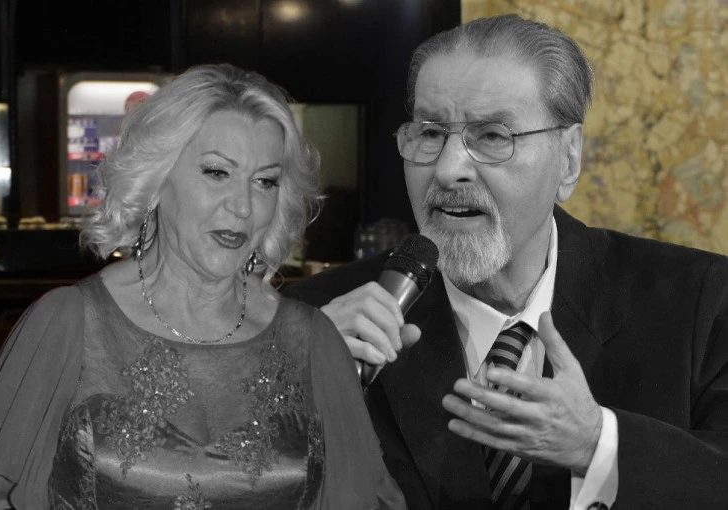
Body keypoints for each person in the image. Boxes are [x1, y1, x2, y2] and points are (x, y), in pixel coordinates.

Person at [284, 14, 728, 510]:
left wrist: (598, 447)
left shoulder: (700, 303)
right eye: (430, 133)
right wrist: (292, 400)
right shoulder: (313, 319)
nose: (448, 169)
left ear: (569, 159)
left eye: (492, 136)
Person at [0, 63, 406, 509]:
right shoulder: (65, 324)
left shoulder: (313, 341)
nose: (243, 206)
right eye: (217, 172)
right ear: (155, 179)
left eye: (265, 181)